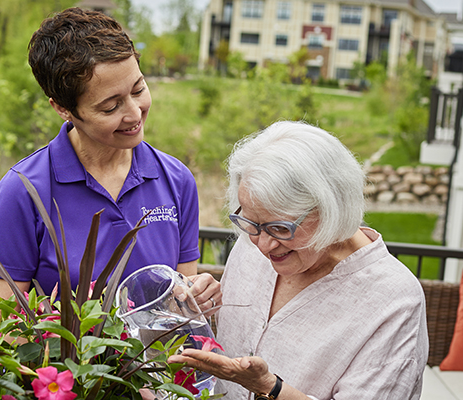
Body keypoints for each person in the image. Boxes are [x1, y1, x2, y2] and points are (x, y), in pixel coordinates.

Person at [0, 7, 219, 309]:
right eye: (110, 107)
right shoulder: (24, 192)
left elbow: (179, 309)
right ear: (63, 109)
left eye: (138, 89)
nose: (134, 113)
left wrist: (197, 300)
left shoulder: (177, 181)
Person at [169, 121, 428, 400]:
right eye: (251, 222)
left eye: (281, 228)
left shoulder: (394, 300)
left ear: (332, 208)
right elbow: (231, 343)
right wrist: (200, 308)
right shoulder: (254, 239)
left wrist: (271, 388)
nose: (264, 245)